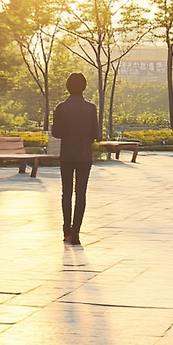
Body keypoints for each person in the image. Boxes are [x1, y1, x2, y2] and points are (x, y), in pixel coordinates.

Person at [51, 72, 99, 245]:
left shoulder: (61, 107)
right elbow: (96, 134)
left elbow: (56, 133)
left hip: (67, 155)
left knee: (67, 193)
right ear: (84, 87)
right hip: (85, 155)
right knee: (81, 194)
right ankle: (76, 233)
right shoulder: (91, 108)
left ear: (67, 86)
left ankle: (66, 231)